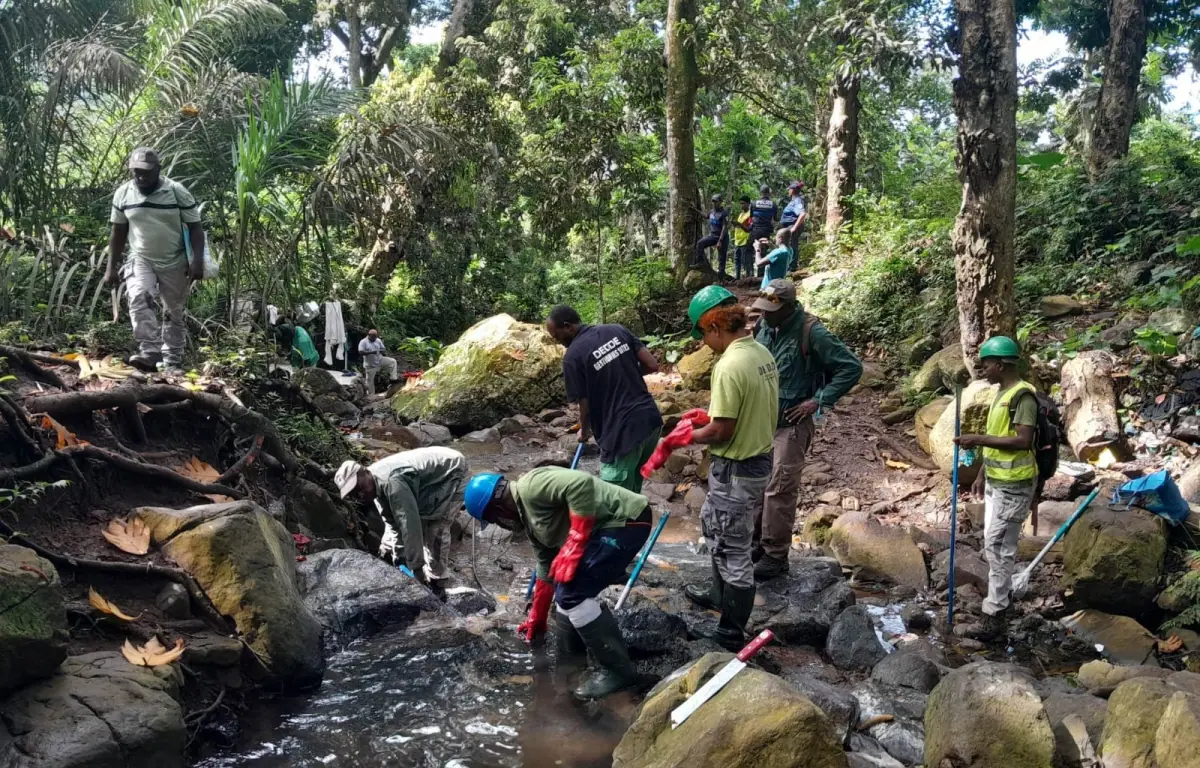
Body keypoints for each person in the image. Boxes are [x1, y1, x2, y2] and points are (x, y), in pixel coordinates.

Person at [463, 466, 654, 698]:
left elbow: (580, 485)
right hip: (602, 530)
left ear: (498, 508)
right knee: (564, 586)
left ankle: (619, 672)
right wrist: (536, 618)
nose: (501, 524)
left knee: (572, 594)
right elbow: (546, 571)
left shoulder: (531, 485)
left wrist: (575, 540)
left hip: (626, 520)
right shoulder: (530, 523)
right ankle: (573, 658)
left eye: (495, 520)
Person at [678, 285, 779, 650]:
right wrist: (706, 417)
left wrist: (682, 438)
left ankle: (730, 632)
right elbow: (745, 409)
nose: (704, 343)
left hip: (738, 467)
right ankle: (718, 595)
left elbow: (722, 431)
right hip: (756, 460)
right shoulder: (760, 352)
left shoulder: (729, 365)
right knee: (714, 525)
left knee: (733, 549)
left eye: (703, 334)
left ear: (716, 327)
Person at [750, 280, 862, 580]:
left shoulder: (812, 332)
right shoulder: (763, 326)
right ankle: (755, 546)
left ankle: (775, 556)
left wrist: (818, 401)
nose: (765, 315)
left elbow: (851, 368)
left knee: (779, 489)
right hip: (761, 423)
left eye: (771, 310)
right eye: (762, 309)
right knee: (757, 484)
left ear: (788, 308)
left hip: (792, 426)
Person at [953, 336, 1038, 638]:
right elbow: (998, 440)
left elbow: (1022, 440)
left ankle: (995, 616)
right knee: (994, 545)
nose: (983, 369)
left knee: (999, 548)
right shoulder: (1002, 393)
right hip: (997, 483)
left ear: (1000, 365)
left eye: (986, 364)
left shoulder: (1022, 397)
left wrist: (977, 439)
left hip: (1014, 486)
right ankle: (1001, 601)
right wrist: (981, 475)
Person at [106, 148, 206, 373]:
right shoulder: (123, 194)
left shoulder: (176, 192)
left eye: (146, 173)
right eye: (136, 172)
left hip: (175, 259)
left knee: (173, 311)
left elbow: (196, 228)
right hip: (141, 257)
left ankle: (172, 360)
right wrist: (111, 267)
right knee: (139, 297)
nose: (141, 177)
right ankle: (149, 352)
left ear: (158, 170)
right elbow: (118, 233)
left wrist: (197, 261)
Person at [545, 305, 663, 493]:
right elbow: (652, 364)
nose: (558, 342)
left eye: (556, 336)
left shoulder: (572, 358)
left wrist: (584, 432)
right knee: (632, 496)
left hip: (621, 434)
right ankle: (638, 521)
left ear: (568, 326)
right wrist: (625, 374)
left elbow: (585, 405)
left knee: (612, 503)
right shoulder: (616, 330)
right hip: (650, 422)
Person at [334, 447, 468, 584]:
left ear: (366, 472)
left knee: (436, 528)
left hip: (452, 471)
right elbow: (392, 522)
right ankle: (397, 558)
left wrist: (416, 570)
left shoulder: (392, 484)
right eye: (354, 494)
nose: (360, 495)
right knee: (416, 522)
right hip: (428, 478)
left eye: (360, 488)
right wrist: (399, 556)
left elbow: (410, 526)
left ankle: (438, 578)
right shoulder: (373, 484)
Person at [694, 194, 729, 276]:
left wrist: (720, 241)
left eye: (716, 202)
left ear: (720, 202)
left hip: (722, 238)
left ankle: (721, 278)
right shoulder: (712, 211)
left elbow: (724, 227)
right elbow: (706, 216)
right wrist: (695, 209)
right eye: (713, 201)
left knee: (721, 259)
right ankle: (700, 263)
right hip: (713, 236)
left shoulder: (724, 213)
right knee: (700, 243)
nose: (714, 203)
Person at [748, 184, 778, 276]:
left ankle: (750, 273)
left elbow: (751, 216)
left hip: (756, 230)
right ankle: (761, 275)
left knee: (752, 249)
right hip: (766, 231)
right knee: (764, 251)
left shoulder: (753, 203)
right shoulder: (773, 205)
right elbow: (776, 219)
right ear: (769, 193)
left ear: (760, 193)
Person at [359, 329, 399, 395]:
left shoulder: (378, 340)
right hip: (370, 365)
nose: (374, 338)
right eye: (373, 337)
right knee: (369, 382)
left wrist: (381, 351)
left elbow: (383, 349)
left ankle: (393, 378)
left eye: (375, 336)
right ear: (369, 335)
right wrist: (373, 352)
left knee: (392, 361)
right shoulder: (363, 342)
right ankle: (371, 395)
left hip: (379, 360)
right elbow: (361, 352)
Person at [778, 181, 808, 270]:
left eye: (789, 190)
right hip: (789, 226)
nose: (788, 191)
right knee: (790, 244)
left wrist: (794, 227)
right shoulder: (793, 201)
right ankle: (790, 265)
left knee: (791, 245)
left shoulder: (797, 200)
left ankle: (792, 266)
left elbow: (802, 214)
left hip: (792, 225)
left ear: (792, 190)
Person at [732, 196, 753, 281]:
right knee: (737, 260)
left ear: (748, 204)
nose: (742, 205)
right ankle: (737, 277)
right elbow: (739, 226)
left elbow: (749, 228)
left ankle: (749, 278)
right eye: (741, 203)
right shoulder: (741, 214)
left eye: (743, 203)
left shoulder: (750, 214)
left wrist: (740, 225)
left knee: (747, 260)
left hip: (745, 240)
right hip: (737, 240)